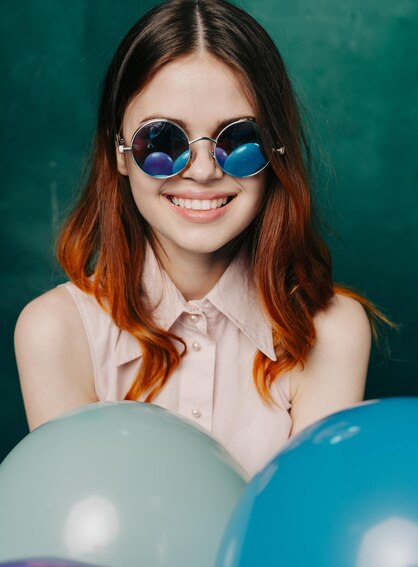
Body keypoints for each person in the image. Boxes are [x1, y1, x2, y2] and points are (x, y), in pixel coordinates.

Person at [13, 0, 389, 478]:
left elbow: (304, 528)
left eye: (238, 139)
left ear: (275, 152)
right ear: (121, 155)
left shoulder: (331, 332)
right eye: (163, 141)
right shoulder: (56, 333)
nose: (205, 171)